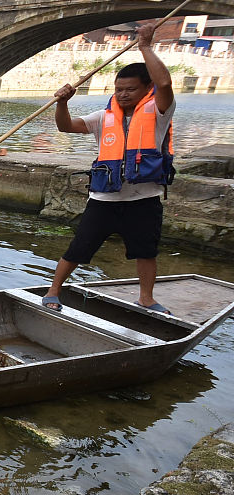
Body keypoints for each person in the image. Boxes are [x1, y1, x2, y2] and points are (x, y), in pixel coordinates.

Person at [42, 23, 175, 315]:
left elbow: (165, 84)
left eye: (130, 89)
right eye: (119, 90)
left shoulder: (159, 112)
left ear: (147, 89)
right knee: (78, 248)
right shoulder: (104, 116)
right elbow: (66, 126)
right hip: (104, 199)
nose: (123, 94)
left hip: (144, 199)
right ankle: (53, 291)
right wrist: (62, 103)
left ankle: (146, 298)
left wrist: (145, 47)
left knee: (146, 251)